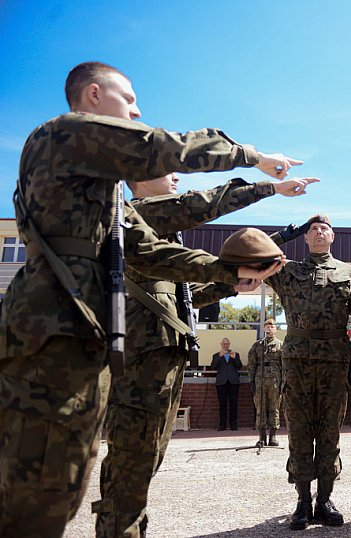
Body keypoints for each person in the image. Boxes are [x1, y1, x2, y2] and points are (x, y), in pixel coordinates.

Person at [0, 61, 291, 537]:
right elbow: (161, 148)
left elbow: (151, 252)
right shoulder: (62, 135)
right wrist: (252, 157)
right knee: (33, 498)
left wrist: (229, 274)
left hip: (84, 339)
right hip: (48, 337)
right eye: (129, 100)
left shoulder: (107, 195)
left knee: (62, 490)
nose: (136, 112)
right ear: (93, 95)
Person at [95, 172, 315, 538]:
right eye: (166, 168)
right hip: (140, 360)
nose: (176, 175)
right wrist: (270, 188)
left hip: (163, 359)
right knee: (130, 463)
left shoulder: (163, 236)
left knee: (146, 460)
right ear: (140, 177)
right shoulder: (140, 214)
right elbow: (194, 207)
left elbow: (188, 297)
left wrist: (238, 281)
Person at [265, 214, 351, 530]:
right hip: (297, 362)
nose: (319, 231)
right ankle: (302, 501)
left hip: (334, 362)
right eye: (313, 229)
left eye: (325, 228)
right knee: (299, 432)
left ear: (333, 236)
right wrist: (284, 235)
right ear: (306, 237)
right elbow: (255, 253)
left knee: (329, 432)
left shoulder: (348, 273)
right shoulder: (288, 271)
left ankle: (324, 499)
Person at [249, 319, 284, 446]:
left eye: (272, 326)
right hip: (260, 379)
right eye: (267, 326)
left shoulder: (280, 345)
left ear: (276, 329)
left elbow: (285, 365)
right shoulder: (257, 345)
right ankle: (262, 437)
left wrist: (283, 382)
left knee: (274, 407)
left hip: (275, 380)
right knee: (261, 407)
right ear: (264, 329)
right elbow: (252, 363)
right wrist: (251, 380)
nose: (269, 329)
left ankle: (273, 436)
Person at [211, 338, 243, 430]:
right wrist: (219, 356)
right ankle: (222, 424)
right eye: (224, 344)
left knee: (234, 404)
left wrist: (235, 358)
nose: (226, 345)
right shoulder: (216, 355)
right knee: (222, 404)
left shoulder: (235, 354)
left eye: (227, 344)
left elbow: (239, 366)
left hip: (233, 382)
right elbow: (213, 366)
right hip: (221, 382)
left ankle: (233, 424)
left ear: (229, 344)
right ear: (221, 345)